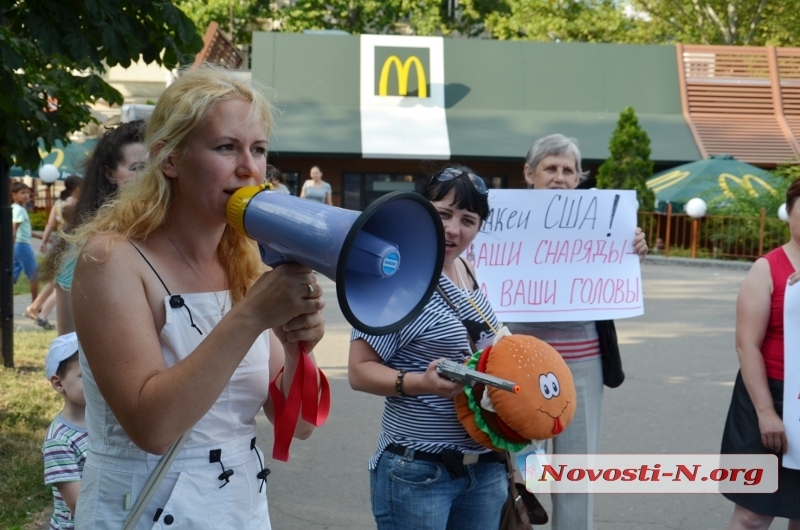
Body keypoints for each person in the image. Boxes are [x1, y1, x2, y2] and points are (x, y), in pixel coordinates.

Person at [69, 65, 326, 529]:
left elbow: (300, 425)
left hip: (239, 507)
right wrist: (251, 317)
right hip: (141, 507)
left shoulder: (244, 262)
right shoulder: (111, 259)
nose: (249, 167)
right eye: (226, 147)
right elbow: (152, 428)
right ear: (169, 159)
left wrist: (295, 348)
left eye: (258, 149)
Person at [348, 166, 507, 530]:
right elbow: (359, 371)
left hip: (485, 469)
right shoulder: (395, 277)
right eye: (443, 214)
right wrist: (422, 382)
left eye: (468, 220)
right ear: (421, 211)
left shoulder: (466, 269)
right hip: (419, 471)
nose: (453, 229)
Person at [507, 134, 649, 530]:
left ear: (578, 177)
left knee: (575, 472)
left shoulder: (603, 221)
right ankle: (523, 506)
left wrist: (632, 248)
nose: (560, 177)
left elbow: (615, 276)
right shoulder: (502, 221)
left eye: (568, 170)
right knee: (520, 464)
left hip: (583, 362)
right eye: (550, 168)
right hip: (521, 361)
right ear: (529, 174)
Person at [720, 178, 800, 529]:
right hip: (770, 397)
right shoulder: (767, 268)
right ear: (789, 213)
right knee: (753, 514)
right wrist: (766, 413)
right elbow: (746, 344)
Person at [50, 121, 146, 335]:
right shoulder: (88, 242)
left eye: (155, 166)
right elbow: (68, 337)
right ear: (110, 174)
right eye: (137, 168)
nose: (148, 176)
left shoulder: (182, 232)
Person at [43, 332, 88, 530]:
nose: (98, 381)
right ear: (59, 383)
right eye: (86, 374)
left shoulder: (107, 422)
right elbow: (79, 506)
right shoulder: (59, 440)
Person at [26, 175, 84, 330]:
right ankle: (42, 314)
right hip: (72, 242)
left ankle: (35, 307)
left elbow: (50, 224)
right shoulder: (77, 202)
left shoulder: (59, 203)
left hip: (60, 241)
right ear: (76, 187)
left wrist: (44, 241)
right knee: (62, 281)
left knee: (56, 280)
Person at [11, 181, 41, 304]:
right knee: (34, 275)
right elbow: (14, 228)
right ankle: (35, 306)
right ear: (14, 195)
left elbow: (26, 230)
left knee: (11, 277)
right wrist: (10, 246)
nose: (26, 195)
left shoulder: (15, 208)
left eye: (28, 193)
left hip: (17, 246)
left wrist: (41, 237)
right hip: (22, 246)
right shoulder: (19, 210)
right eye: (22, 193)